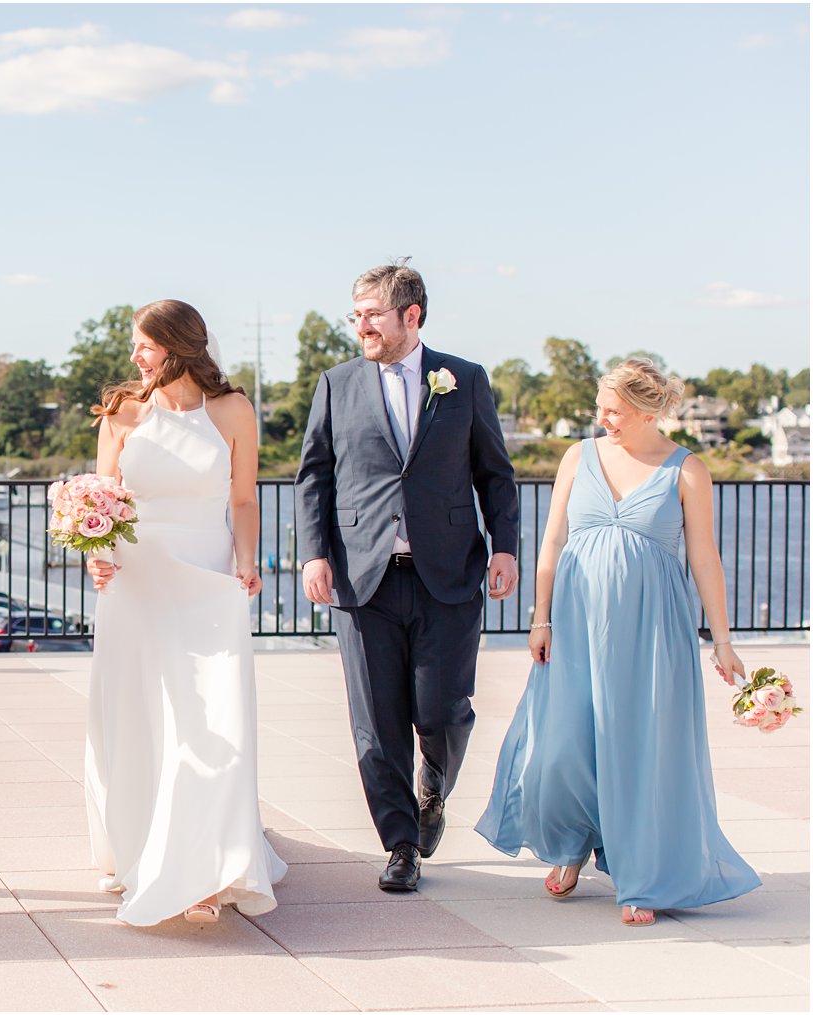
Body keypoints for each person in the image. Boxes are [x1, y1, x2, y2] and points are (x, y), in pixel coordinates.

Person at [476, 359, 762, 926]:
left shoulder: (688, 470)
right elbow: (553, 538)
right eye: (600, 407)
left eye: (614, 410)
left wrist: (723, 641)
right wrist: (541, 618)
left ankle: (643, 874)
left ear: (649, 411)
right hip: (576, 628)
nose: (601, 417)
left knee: (639, 752)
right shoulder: (578, 456)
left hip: (651, 633)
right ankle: (569, 846)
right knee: (562, 747)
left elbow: (704, 558)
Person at [295, 259, 520, 892]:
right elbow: (315, 475)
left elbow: (494, 474)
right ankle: (399, 845)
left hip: (447, 573)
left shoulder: (464, 380)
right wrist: (315, 552)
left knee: (443, 711)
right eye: (355, 313)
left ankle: (434, 786)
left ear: (410, 316)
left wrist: (505, 546)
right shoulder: (336, 384)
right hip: (363, 578)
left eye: (371, 313)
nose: (360, 324)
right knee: (375, 721)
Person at [83, 299, 286, 926]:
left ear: (175, 348)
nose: (134, 358)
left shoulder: (231, 410)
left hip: (206, 580)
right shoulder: (122, 412)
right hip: (135, 583)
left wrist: (246, 560)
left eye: (143, 346)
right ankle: (142, 848)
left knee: (211, 719)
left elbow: (244, 498)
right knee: (141, 716)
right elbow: (104, 498)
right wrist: (96, 556)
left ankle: (207, 859)